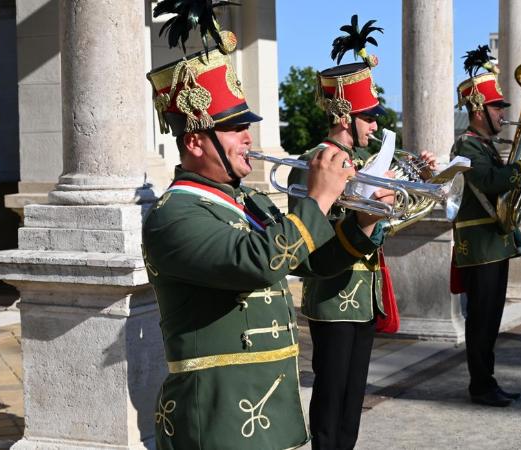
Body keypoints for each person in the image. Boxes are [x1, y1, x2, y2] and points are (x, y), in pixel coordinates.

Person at [142, 6, 393, 448]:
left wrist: (362, 223)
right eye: (234, 128)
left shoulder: (250, 201)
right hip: (216, 416)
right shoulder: (174, 215)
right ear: (195, 140)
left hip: (267, 410)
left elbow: (312, 263)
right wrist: (318, 197)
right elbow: (259, 263)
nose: (248, 139)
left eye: (246, 127)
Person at [287, 16, 434, 449]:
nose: (375, 125)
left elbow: (383, 224)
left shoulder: (362, 163)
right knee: (331, 396)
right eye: (369, 117)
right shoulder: (315, 160)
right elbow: (309, 230)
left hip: (363, 294)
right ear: (347, 115)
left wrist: (417, 180)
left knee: (354, 395)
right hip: (333, 295)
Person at [451, 45, 521, 407]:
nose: (503, 114)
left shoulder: (485, 145)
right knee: (481, 321)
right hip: (480, 247)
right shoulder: (467, 147)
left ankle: (487, 381)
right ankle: (480, 385)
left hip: (493, 244)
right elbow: (489, 181)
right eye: (496, 108)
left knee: (490, 320)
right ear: (478, 111)